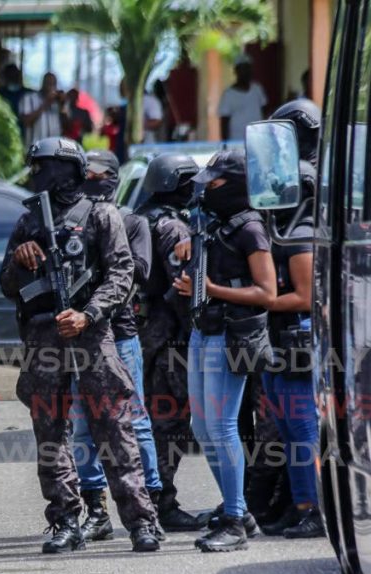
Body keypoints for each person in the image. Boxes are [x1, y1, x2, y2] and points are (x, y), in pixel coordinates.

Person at [0, 137, 160, 554]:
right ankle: (65, 520)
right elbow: (4, 284)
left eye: (44, 167)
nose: (37, 175)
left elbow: (122, 276)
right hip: (44, 340)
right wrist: (20, 258)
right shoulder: (28, 222)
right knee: (50, 433)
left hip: (90, 336)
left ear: (67, 169)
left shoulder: (101, 215)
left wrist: (88, 313)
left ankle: (142, 521)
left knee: (114, 429)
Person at [172, 149, 277, 552]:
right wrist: (185, 247)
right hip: (204, 330)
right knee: (202, 428)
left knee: (222, 427)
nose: (206, 190)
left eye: (214, 183)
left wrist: (212, 289)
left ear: (233, 185)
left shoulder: (250, 227)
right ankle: (239, 510)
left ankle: (234, 519)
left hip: (231, 335)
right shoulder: (216, 224)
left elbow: (266, 293)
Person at [71, 150, 164, 542]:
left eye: (92, 174)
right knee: (81, 427)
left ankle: (151, 503)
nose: (86, 181)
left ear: (109, 178)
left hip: (120, 335)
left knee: (135, 422)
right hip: (77, 334)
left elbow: (138, 272)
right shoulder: (70, 221)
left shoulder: (132, 220)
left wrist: (109, 242)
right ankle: (96, 508)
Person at [133, 153, 207, 532]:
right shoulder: (172, 228)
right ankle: (162, 504)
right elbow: (183, 289)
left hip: (138, 338)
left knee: (145, 421)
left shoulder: (136, 218)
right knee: (169, 423)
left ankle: (147, 501)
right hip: (168, 342)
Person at [257, 160, 324, 539]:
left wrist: (254, 301)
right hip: (278, 339)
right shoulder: (283, 229)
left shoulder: (302, 231)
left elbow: (303, 297)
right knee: (287, 430)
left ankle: (316, 509)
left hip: (297, 338)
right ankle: (300, 509)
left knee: (302, 432)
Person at [218, 55, 268, 141]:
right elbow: (224, 122)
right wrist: (224, 144)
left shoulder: (257, 89)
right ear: (236, 71)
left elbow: (265, 113)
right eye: (243, 69)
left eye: (248, 68)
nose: (246, 72)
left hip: (258, 140)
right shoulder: (228, 94)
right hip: (236, 141)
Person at [20, 72, 64, 148]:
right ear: (43, 83)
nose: (51, 87)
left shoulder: (57, 102)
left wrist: (62, 105)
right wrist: (46, 103)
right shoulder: (29, 98)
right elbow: (26, 122)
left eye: (54, 84)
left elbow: (66, 126)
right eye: (49, 83)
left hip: (54, 150)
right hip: (35, 150)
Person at [0, 64, 28, 142]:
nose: (13, 77)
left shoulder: (27, 93)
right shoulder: (0, 93)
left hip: (23, 132)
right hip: (5, 131)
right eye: (10, 74)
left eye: (15, 74)